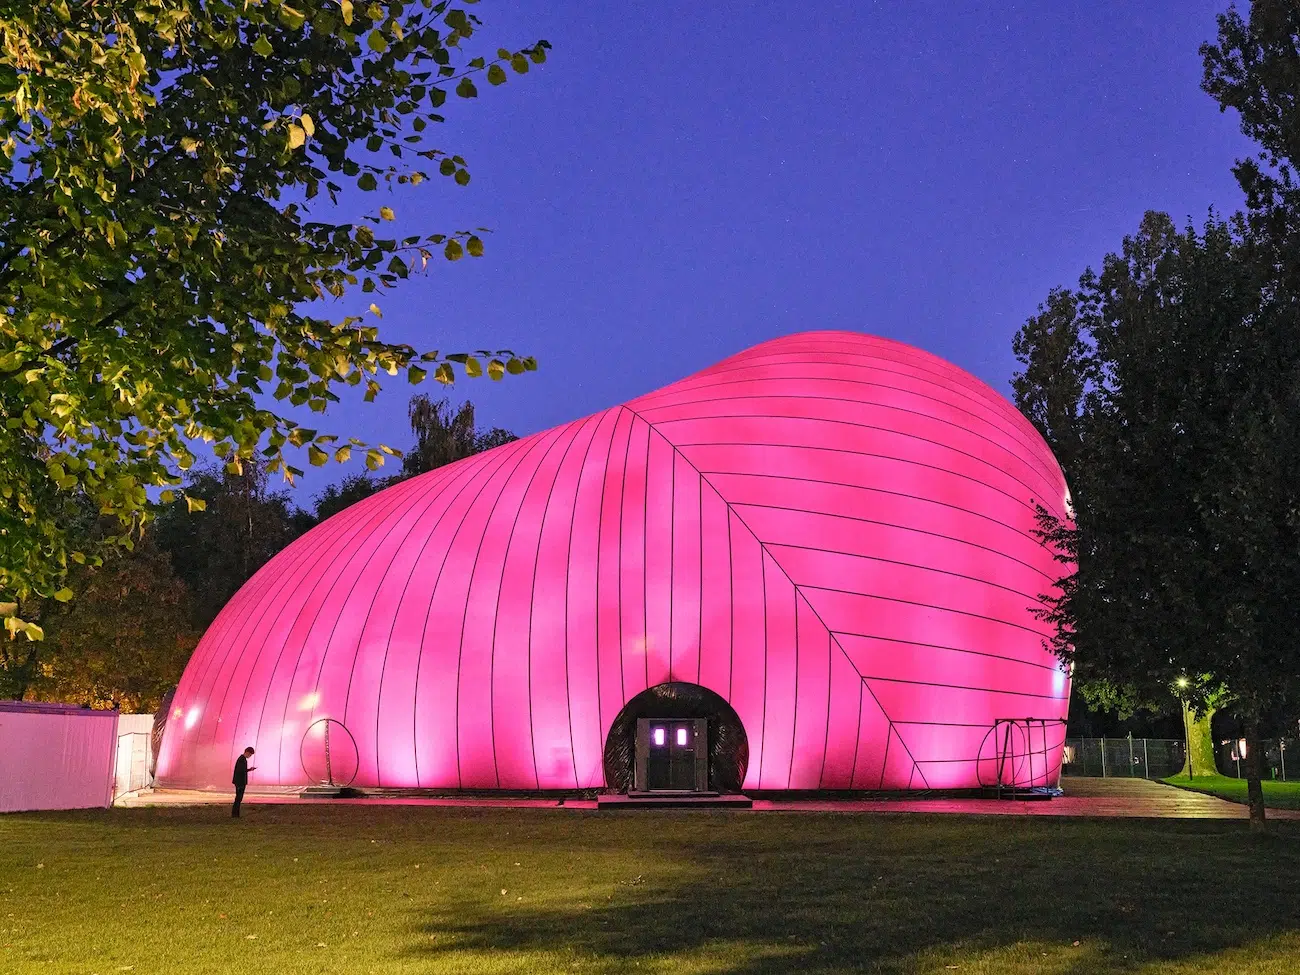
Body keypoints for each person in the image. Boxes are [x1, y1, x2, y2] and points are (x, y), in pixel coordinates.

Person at [232, 747, 256, 818]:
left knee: (239, 798)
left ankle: (236, 814)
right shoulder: (241, 759)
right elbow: (240, 771)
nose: (250, 756)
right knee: (238, 798)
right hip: (240, 782)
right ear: (247, 752)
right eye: (250, 754)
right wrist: (248, 770)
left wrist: (249, 769)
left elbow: (242, 770)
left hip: (240, 781)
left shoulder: (243, 759)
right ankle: (235, 814)